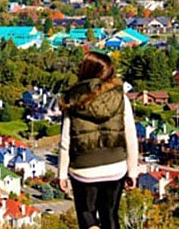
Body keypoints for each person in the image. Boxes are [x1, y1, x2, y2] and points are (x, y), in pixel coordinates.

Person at [57, 51, 138, 229]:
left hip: (83, 168)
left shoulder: (72, 99)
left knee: (86, 214)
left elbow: (65, 140)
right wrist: (133, 170)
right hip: (115, 165)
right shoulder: (120, 98)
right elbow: (131, 136)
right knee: (110, 215)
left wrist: (62, 173)